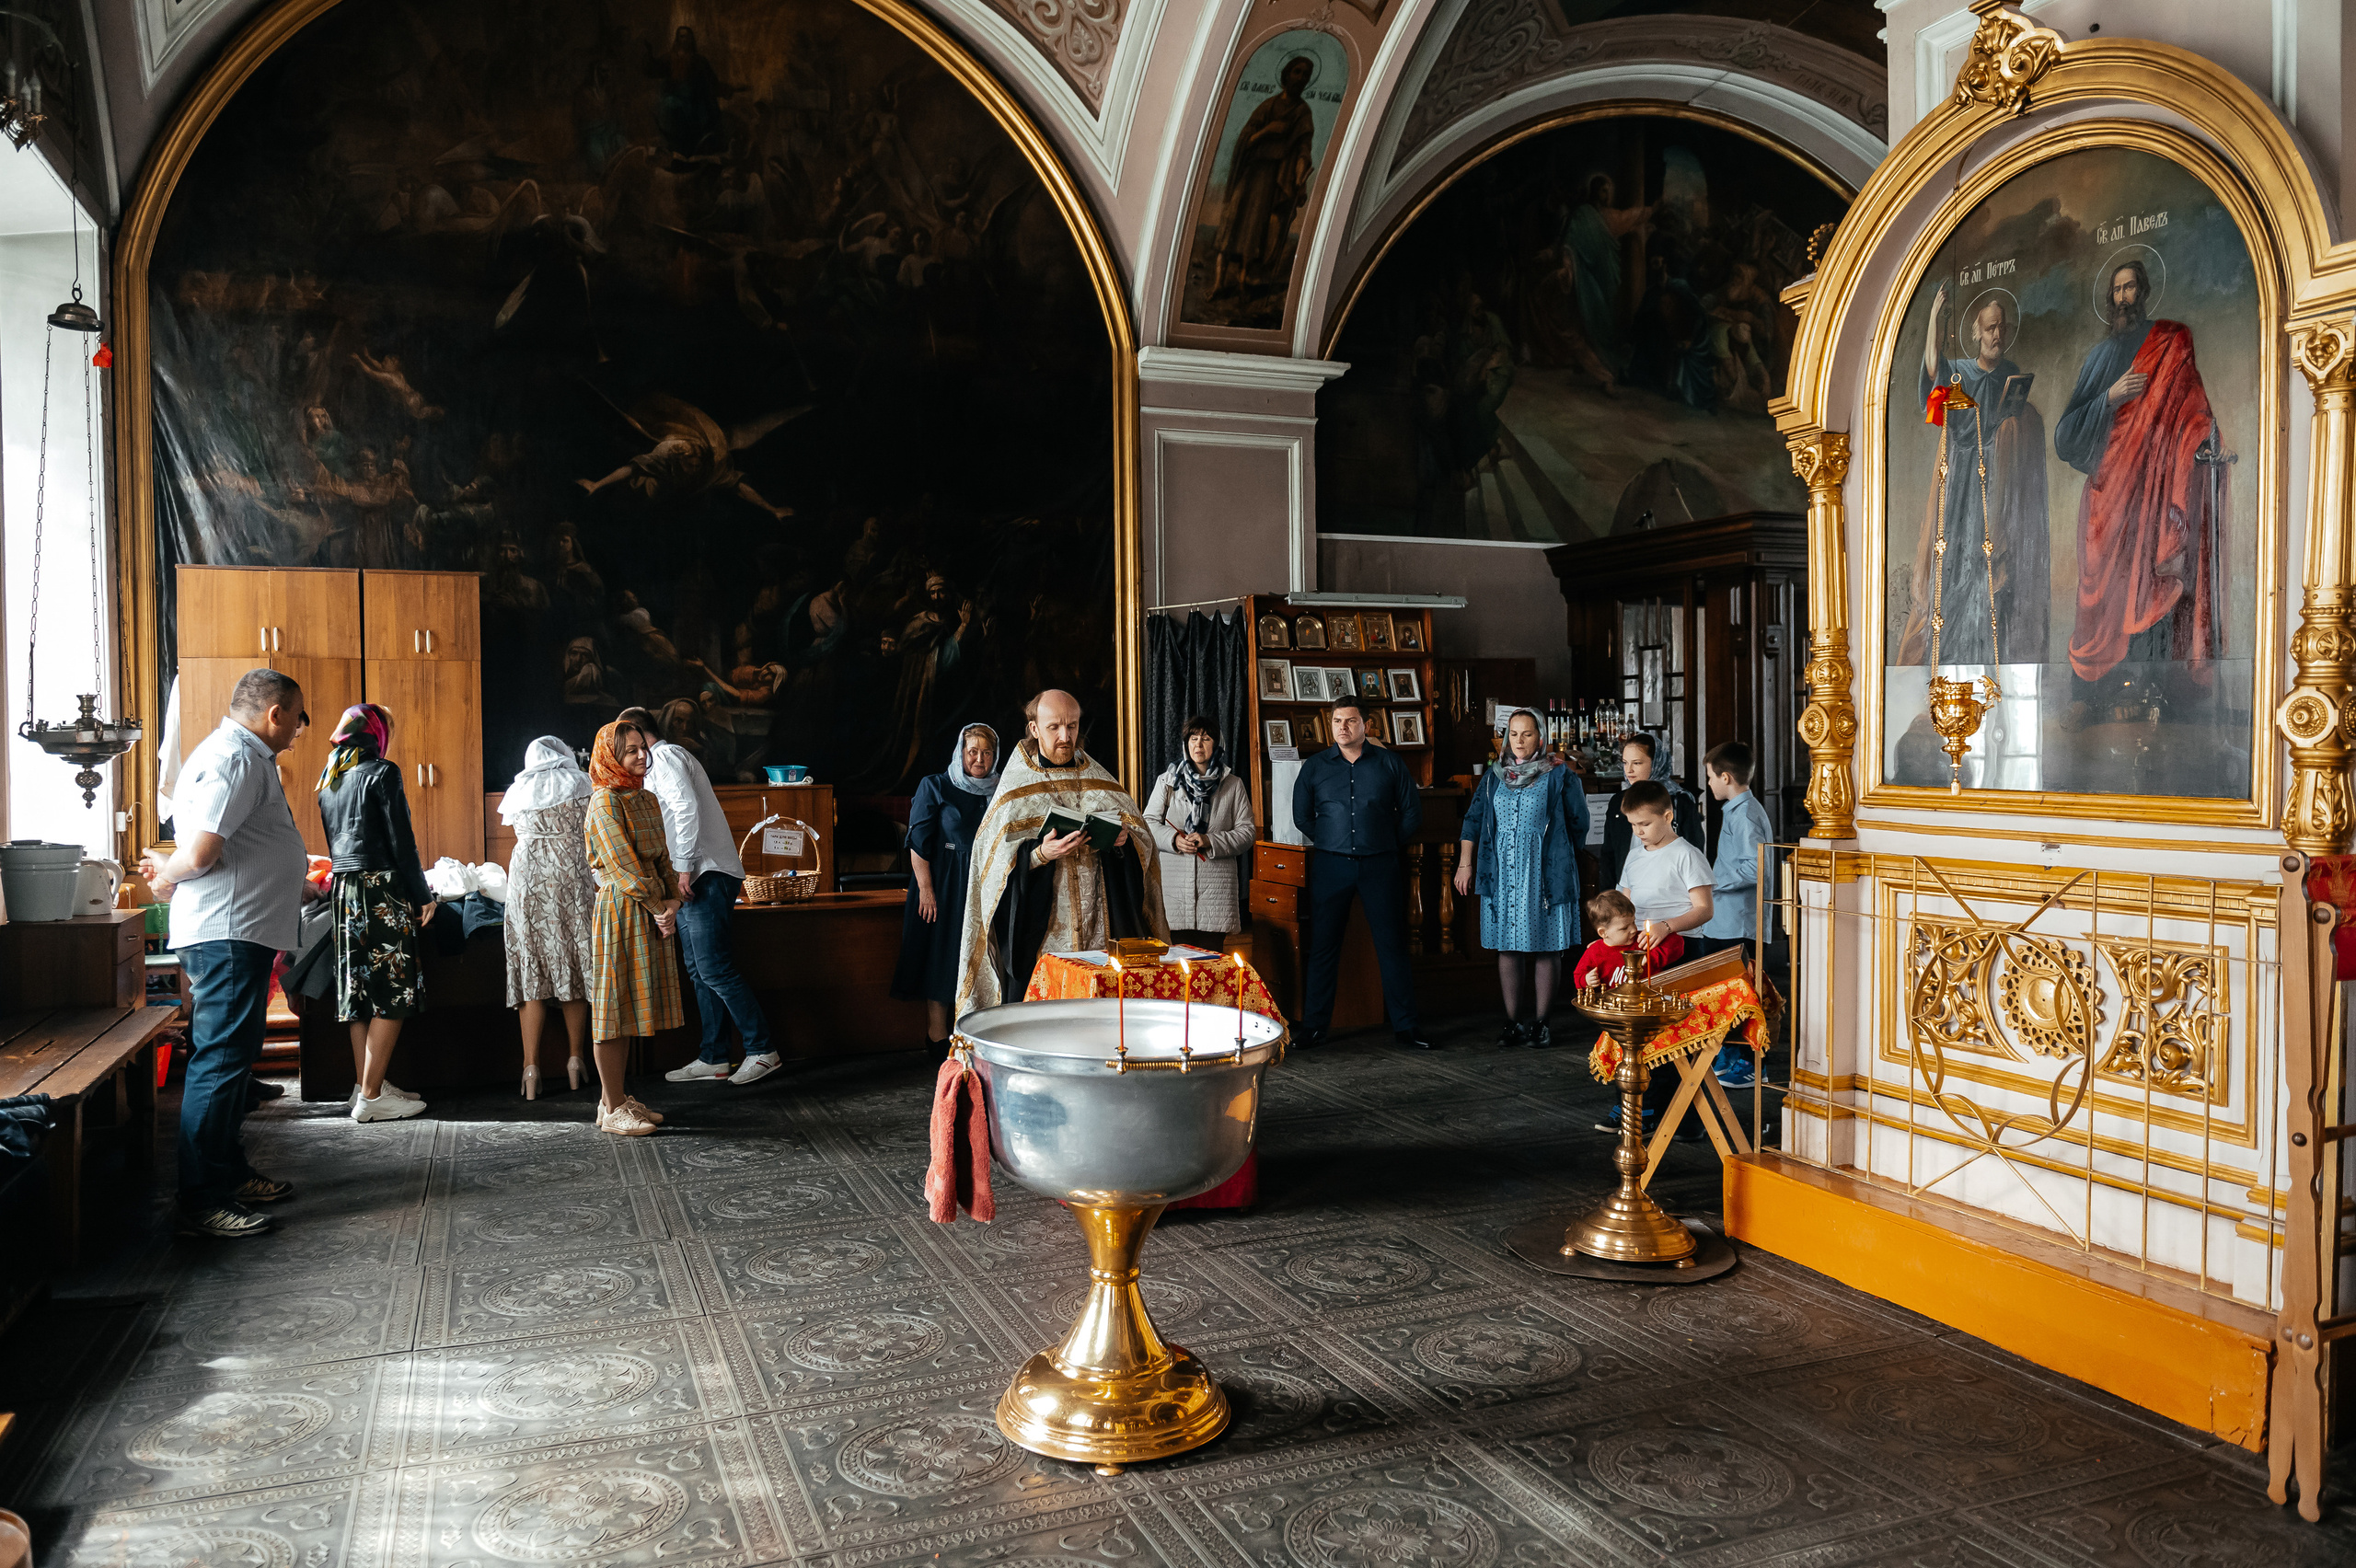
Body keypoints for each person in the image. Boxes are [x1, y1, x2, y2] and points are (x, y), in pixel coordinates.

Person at [143, 669, 318, 1239]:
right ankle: (201, 1197)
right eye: (297, 716)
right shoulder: (236, 758)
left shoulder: (241, 756)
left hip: (238, 929)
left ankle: (227, 1171)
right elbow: (199, 853)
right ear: (274, 713)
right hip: (227, 933)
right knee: (219, 1062)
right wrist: (168, 879)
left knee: (231, 1059)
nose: (298, 728)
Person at [2056, 258, 2225, 707]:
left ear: (2145, 292)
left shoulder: (2170, 340)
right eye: (2117, 290)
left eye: (2131, 288)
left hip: (2152, 490)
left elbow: (2192, 411)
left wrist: (2201, 440)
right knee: (2104, 597)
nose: (2124, 297)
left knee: (2152, 577)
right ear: (2109, 298)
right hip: (2106, 496)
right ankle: (2100, 695)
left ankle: (2153, 691)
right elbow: (2065, 435)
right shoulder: (2101, 357)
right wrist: (2110, 397)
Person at [957, 689, 1165, 1017]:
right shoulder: (1015, 789)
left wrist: (1124, 841)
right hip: (1042, 935)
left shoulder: (1102, 782)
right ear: (1034, 728)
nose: (1065, 736)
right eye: (1054, 727)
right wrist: (1039, 855)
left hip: (1101, 930)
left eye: (1072, 725)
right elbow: (992, 872)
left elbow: (1143, 849)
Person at [618, 705, 780, 1088]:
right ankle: (714, 1056)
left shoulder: (666, 755)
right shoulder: (656, 762)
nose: (627, 752)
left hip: (704, 872)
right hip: (691, 874)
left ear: (639, 735)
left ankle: (762, 1050)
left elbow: (685, 808)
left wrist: (684, 866)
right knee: (699, 971)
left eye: (626, 742)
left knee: (714, 967)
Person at [1899, 283, 2050, 667]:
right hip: (1963, 484)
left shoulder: (2013, 374)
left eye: (2002, 328)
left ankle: (1985, 656)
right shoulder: (1960, 374)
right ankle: (1952, 655)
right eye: (1989, 328)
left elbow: (2019, 421)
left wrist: (2017, 427)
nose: (1997, 335)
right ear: (1977, 333)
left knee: (1993, 574)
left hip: (1999, 485)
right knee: (1957, 568)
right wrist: (1934, 319)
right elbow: (1933, 370)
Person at [314, 704, 437, 1123]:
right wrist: (424, 895)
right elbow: (402, 842)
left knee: (359, 991)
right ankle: (371, 1096)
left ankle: (365, 1086)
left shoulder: (328, 779)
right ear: (376, 733)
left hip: (345, 891)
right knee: (393, 989)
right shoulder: (383, 773)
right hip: (382, 888)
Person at [1291, 698, 1432, 1051]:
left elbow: (1412, 814)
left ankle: (1407, 1028)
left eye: (1350, 721)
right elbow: (1302, 816)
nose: (1343, 727)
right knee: (1323, 947)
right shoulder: (1315, 766)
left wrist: (1383, 842)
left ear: (1365, 726)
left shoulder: (1389, 763)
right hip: (1331, 865)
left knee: (1392, 946)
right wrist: (1331, 840)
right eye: (1337, 721)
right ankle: (1314, 1028)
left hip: (1380, 865)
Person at [1455, 708, 1589, 1048]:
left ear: (1540, 738)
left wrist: (1558, 855)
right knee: (1508, 946)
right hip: (1502, 871)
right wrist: (1466, 864)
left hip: (1544, 869)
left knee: (1547, 947)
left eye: (1526, 734)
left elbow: (1579, 823)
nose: (1518, 741)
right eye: (1513, 734)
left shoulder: (1560, 775)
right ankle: (1512, 1022)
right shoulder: (1494, 776)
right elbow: (1473, 821)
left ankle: (1542, 1024)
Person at [1596, 778, 1715, 1136]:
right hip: (1640, 951)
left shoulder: (1687, 854)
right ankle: (1634, 1105)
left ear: (1668, 815)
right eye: (1633, 825)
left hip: (1681, 950)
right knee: (1636, 1035)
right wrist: (1606, 938)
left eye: (1645, 824)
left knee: (1678, 1037)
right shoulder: (1634, 855)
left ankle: (1679, 1116)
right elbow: (1622, 905)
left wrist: (1667, 925)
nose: (1639, 832)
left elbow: (1704, 910)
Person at [584, 721, 682, 1136]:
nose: (642, 756)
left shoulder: (646, 799)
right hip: (622, 910)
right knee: (612, 1008)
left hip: (650, 909)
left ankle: (615, 1102)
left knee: (628, 1008)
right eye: (631, 751)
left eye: (644, 748)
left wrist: (673, 902)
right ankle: (612, 1106)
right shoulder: (604, 801)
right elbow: (624, 866)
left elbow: (662, 859)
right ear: (611, 757)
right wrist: (661, 905)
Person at [894, 722, 1000, 1052]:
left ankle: (977, 1036)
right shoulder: (936, 786)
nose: (979, 759)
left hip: (987, 884)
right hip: (944, 885)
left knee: (981, 960)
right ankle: (938, 1038)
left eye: (987, 752)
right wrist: (926, 889)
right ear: (960, 752)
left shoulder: (1002, 789)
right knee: (942, 959)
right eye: (973, 751)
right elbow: (918, 844)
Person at [501, 736, 597, 1098]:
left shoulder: (518, 789)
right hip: (571, 876)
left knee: (532, 969)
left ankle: (530, 1068)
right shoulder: (581, 783)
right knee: (572, 963)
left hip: (527, 881)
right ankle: (575, 1058)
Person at [1696, 740, 1776, 1090]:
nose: (1708, 784)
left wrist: (1709, 883)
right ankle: (1732, 1058)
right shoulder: (1739, 810)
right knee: (1728, 992)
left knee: (1737, 995)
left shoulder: (1744, 814)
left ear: (1726, 777)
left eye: (1711, 777)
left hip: (1737, 921)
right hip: (1728, 918)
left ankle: (1747, 1063)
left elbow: (1755, 870)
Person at [1145, 716, 1253, 952]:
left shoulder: (1233, 784)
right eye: (1193, 738)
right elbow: (1148, 824)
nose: (1198, 744)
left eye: (1205, 738)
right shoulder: (1167, 781)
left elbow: (1247, 832)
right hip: (1173, 892)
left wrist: (1210, 840)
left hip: (1216, 896)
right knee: (1173, 969)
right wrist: (1174, 840)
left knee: (1211, 969)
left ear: (1217, 744)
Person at [1599, 732, 1703, 889]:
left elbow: (1695, 850)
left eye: (1637, 763)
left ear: (1655, 763)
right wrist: (1607, 895)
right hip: (1627, 890)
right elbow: (1609, 855)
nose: (1629, 770)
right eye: (1625, 763)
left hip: (1670, 892)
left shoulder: (1679, 801)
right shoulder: (1618, 802)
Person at [1573, 889, 1680, 990]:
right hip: (1613, 1006)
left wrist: (1651, 957)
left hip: (1648, 1001)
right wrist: (1586, 980)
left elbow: (1677, 943)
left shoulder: (1642, 941)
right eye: (1624, 928)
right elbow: (1578, 975)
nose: (1633, 929)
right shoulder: (1594, 951)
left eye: (1633, 922)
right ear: (1603, 933)